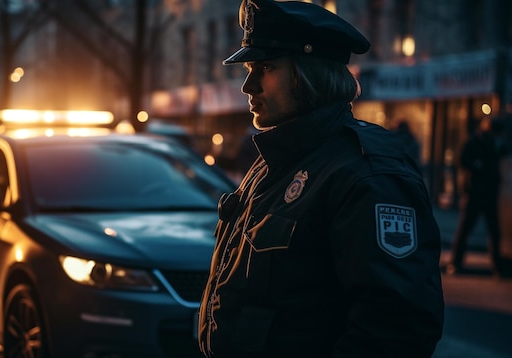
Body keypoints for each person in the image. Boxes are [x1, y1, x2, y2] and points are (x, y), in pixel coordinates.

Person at [197, 1, 444, 357]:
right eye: (250, 68)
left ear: (307, 73)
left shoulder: (367, 173)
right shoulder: (275, 161)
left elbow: (395, 329)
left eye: (265, 68)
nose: (248, 86)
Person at [447, 117, 508, 276]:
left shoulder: (497, 144)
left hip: (488, 193)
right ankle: (456, 262)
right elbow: (463, 160)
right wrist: (478, 165)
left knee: (493, 231)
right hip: (475, 192)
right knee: (466, 229)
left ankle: (498, 267)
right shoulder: (475, 142)